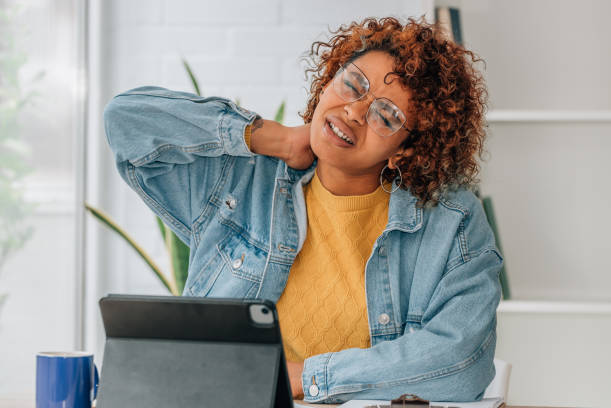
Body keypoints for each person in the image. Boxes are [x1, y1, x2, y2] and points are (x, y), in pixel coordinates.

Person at [103, 16, 503, 404]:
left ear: (406, 150)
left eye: (386, 115)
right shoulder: (242, 181)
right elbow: (125, 121)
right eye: (353, 84)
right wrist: (267, 137)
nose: (355, 112)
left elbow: (462, 361)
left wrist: (301, 378)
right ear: (329, 79)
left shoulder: (452, 222)